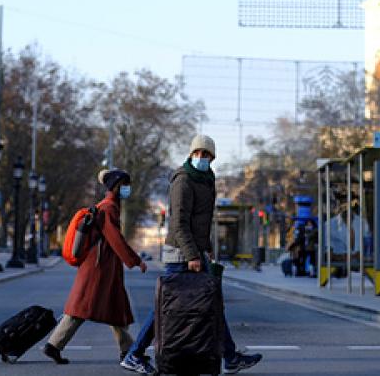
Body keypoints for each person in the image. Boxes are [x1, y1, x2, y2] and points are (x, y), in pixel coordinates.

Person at [122, 135, 262, 375]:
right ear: (191, 154)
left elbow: (202, 221)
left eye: (206, 154)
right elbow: (179, 223)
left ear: (212, 157)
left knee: (212, 303)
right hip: (181, 253)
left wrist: (205, 247)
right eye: (197, 153)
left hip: (196, 252)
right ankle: (134, 354)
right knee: (166, 307)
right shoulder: (183, 180)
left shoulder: (207, 179)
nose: (202, 158)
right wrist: (192, 256)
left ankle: (230, 357)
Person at [43, 169, 147, 365]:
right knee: (82, 308)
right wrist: (135, 260)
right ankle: (53, 345)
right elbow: (115, 239)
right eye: (124, 185)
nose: (127, 188)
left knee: (113, 308)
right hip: (99, 268)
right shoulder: (109, 208)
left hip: (103, 266)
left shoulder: (108, 205)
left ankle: (127, 350)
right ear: (115, 186)